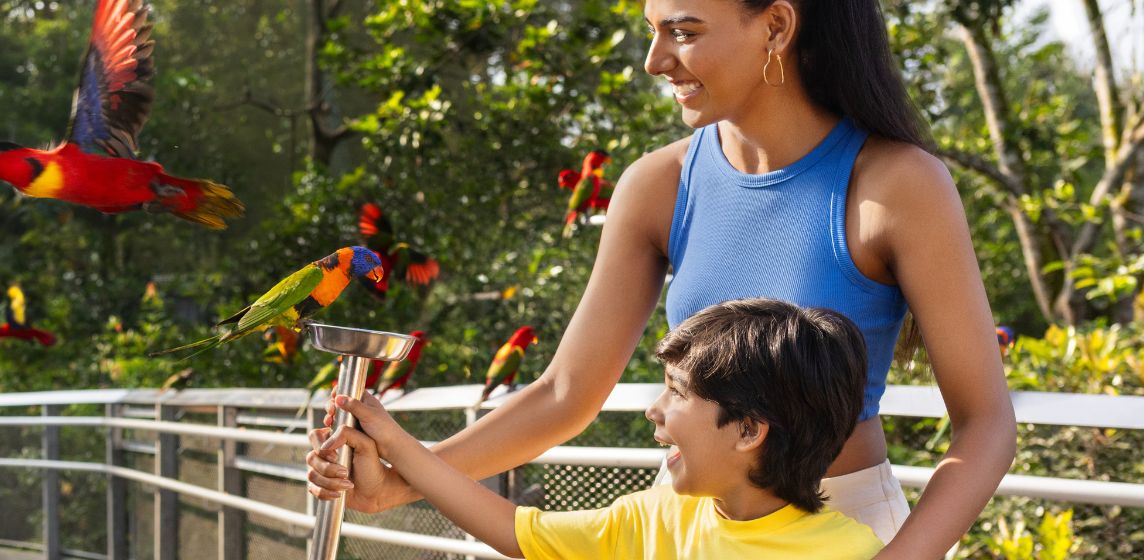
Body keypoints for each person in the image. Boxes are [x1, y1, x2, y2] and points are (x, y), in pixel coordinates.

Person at [309, 0, 1017, 554]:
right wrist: (399, 482)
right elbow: (563, 393)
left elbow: (985, 423)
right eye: (651, 30)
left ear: (776, 27)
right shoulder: (658, 183)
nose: (654, 60)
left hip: (850, 532)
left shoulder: (896, 184)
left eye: (682, 31)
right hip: (681, 528)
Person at [334, 299, 882, 558]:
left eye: (678, 392)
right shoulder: (656, 515)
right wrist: (395, 444)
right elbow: (518, 531)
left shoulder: (851, 554)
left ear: (746, 431)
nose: (654, 409)